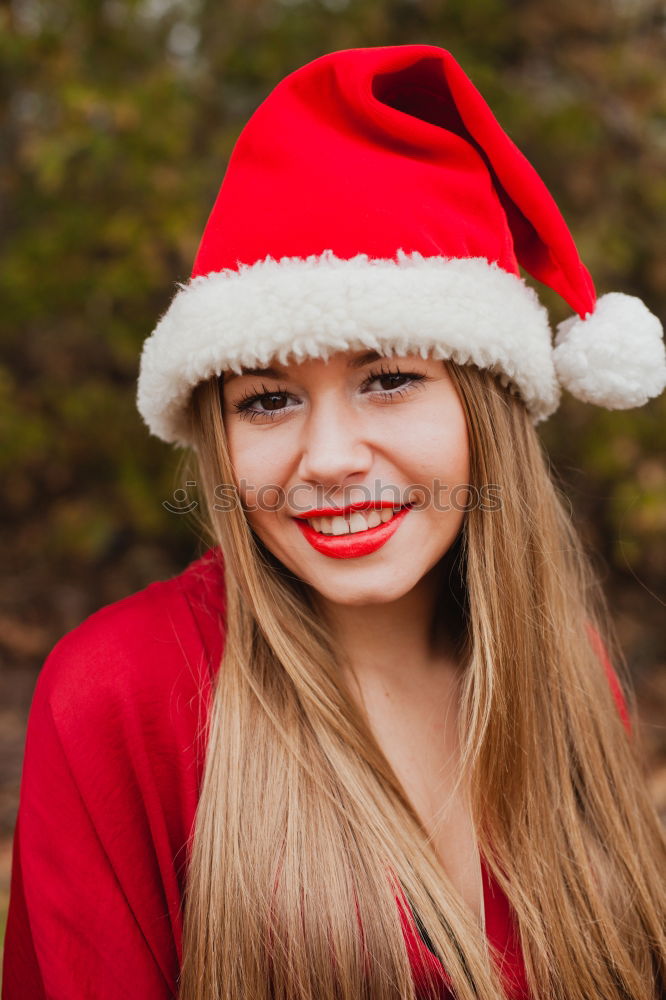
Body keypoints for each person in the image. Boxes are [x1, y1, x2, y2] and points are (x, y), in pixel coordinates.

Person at [2, 43, 665, 1000]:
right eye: (267, 401)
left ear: (486, 410)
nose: (328, 459)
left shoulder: (566, 673)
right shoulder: (121, 696)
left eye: (389, 381)